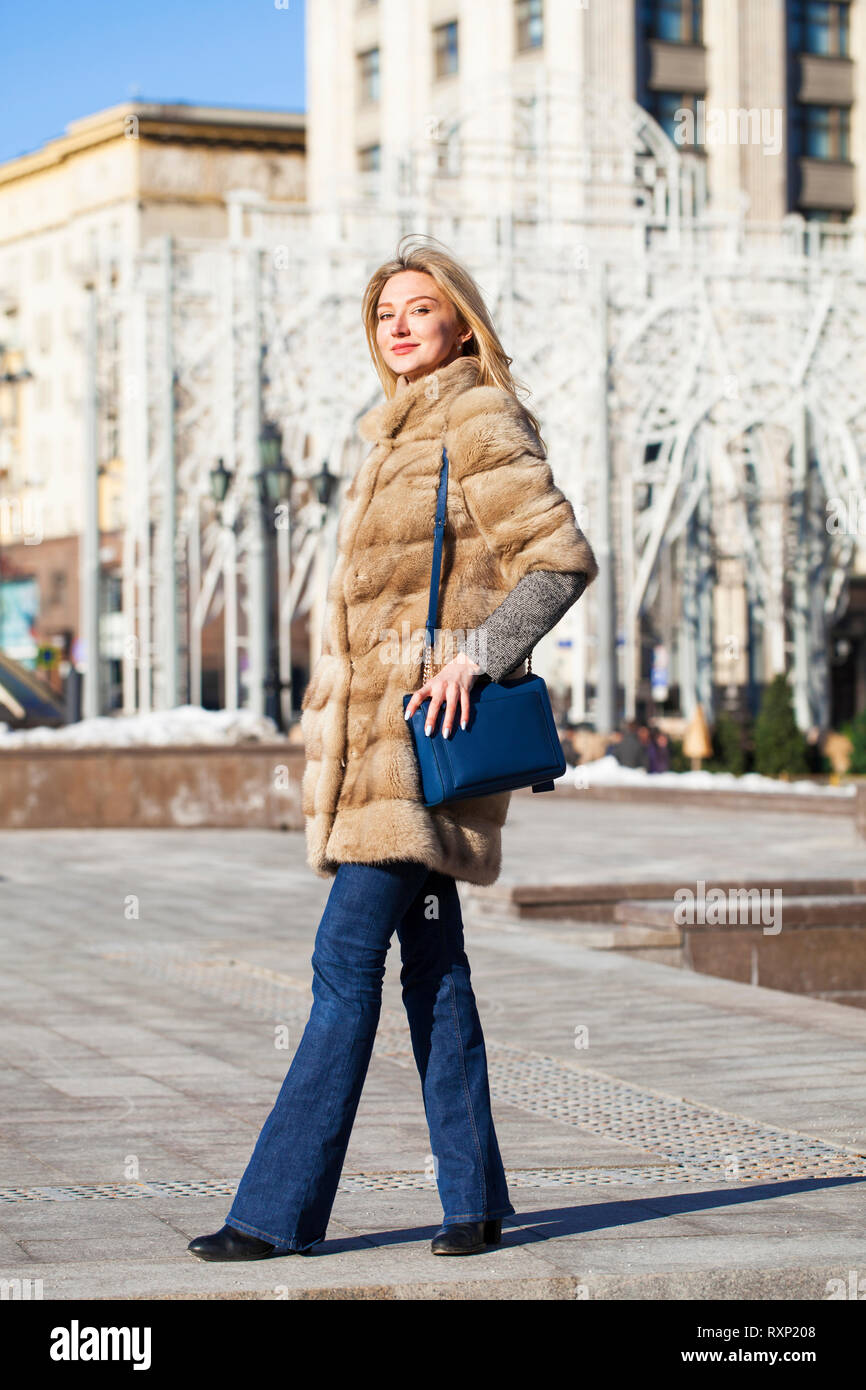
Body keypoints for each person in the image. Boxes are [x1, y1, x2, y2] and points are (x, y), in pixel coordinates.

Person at [187, 235, 597, 1262]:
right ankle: (475, 1199)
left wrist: (475, 654)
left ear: (459, 321)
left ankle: (272, 1213)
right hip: (377, 756)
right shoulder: (393, 439)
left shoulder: (476, 417)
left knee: (340, 961)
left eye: (420, 308)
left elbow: (556, 561)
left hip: (414, 757)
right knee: (433, 969)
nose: (400, 325)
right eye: (385, 315)